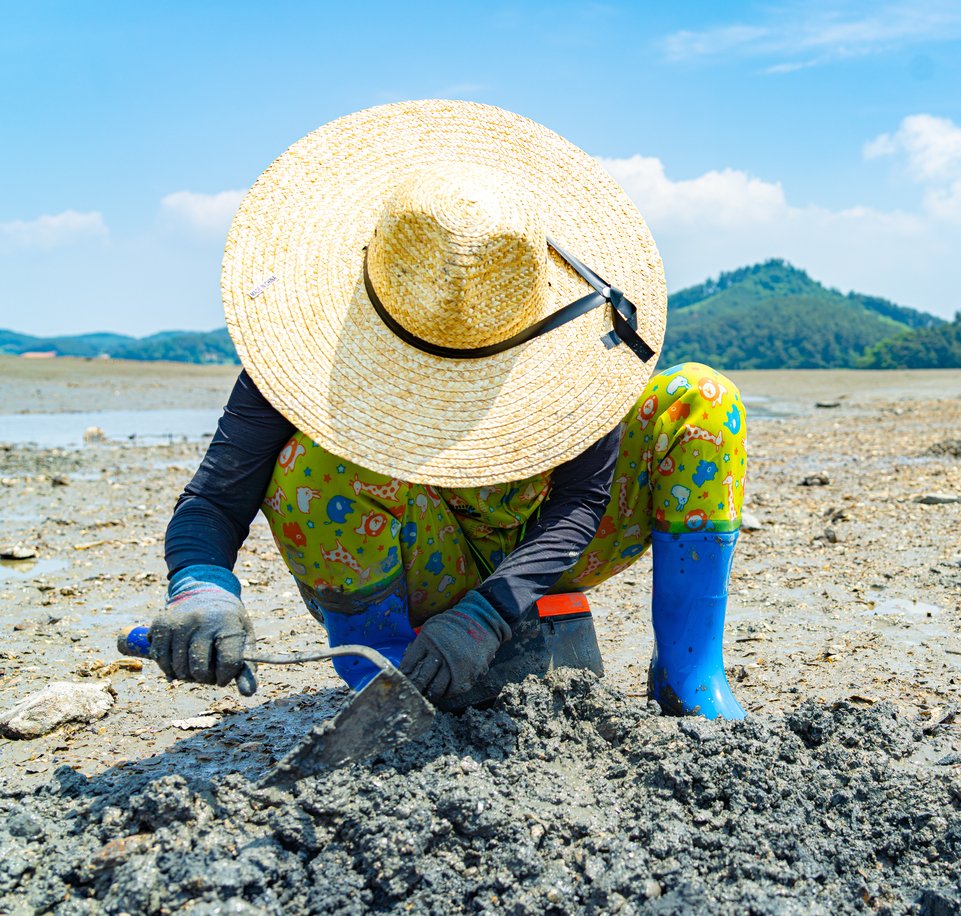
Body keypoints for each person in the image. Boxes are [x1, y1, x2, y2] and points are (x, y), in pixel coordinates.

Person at [150, 100, 747, 719]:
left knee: (701, 399)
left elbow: (582, 501)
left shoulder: (569, 346)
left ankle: (690, 673)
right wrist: (200, 586)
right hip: (411, 565)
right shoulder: (301, 357)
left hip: (544, 548)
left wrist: (488, 614)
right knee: (313, 463)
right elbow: (215, 499)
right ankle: (384, 679)